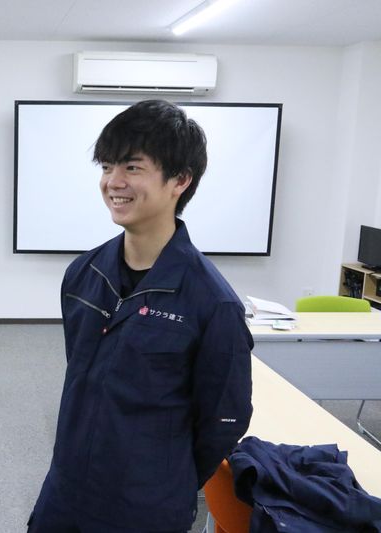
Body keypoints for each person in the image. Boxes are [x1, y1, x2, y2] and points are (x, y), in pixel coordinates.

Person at [28, 99, 253, 533]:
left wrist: (167, 480)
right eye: (107, 166)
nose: (114, 182)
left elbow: (223, 421)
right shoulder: (83, 274)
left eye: (132, 167)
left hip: (145, 502)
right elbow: (83, 376)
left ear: (180, 180)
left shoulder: (212, 302)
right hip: (67, 486)